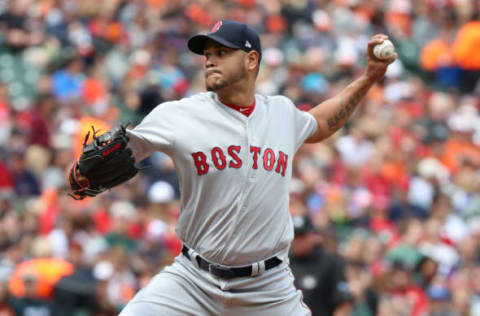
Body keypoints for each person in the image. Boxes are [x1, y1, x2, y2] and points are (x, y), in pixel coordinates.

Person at [70, 19, 396, 315]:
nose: (209, 59)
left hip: (268, 287)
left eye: (222, 52)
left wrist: (369, 77)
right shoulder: (178, 115)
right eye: (207, 53)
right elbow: (118, 152)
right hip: (193, 280)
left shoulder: (281, 114)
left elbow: (323, 122)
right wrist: (80, 175)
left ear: (251, 60)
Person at [289, 215, 354, 316]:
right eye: (294, 236)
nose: (297, 241)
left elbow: (343, 304)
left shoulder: (330, 262)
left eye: (301, 236)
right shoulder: (283, 262)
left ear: (313, 236)